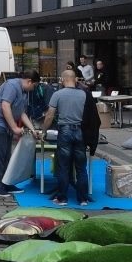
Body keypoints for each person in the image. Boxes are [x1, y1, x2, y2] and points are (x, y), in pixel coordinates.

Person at [0, 69, 41, 197]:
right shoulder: (12, 86)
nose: (34, 89)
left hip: (4, 123)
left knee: (7, 154)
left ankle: (6, 182)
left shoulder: (24, 92)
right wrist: (14, 127)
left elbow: (21, 112)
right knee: (0, 153)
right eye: (34, 86)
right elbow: (5, 106)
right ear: (29, 81)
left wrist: (32, 129)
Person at [40, 70, 91, 207]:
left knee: (63, 166)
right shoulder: (84, 94)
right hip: (80, 131)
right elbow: (90, 114)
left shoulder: (57, 94)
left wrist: (43, 131)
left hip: (65, 131)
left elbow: (50, 115)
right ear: (75, 79)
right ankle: (83, 199)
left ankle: (62, 198)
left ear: (63, 80)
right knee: (81, 167)